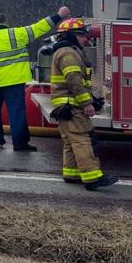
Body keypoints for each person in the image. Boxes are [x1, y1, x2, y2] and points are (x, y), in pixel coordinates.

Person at [0, 6, 69, 150]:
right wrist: (59, 16)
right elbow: (39, 27)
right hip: (14, 82)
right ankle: (20, 144)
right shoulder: (16, 34)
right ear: (6, 22)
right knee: (16, 113)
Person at [44, 18, 114, 190]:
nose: (86, 39)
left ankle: (72, 174)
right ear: (72, 36)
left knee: (71, 141)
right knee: (82, 140)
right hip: (72, 105)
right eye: (83, 35)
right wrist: (87, 103)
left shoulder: (68, 51)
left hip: (67, 105)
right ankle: (92, 178)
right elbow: (74, 81)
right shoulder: (68, 53)